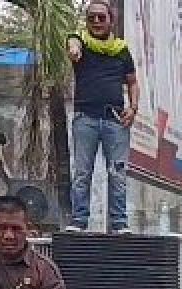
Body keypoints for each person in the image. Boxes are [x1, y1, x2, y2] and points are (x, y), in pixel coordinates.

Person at [66, 1, 139, 233]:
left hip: (115, 119)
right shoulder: (81, 43)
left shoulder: (121, 50)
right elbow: (73, 44)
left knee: (117, 173)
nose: (96, 22)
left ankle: (119, 223)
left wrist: (133, 107)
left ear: (111, 20)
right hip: (85, 118)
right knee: (82, 173)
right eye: (92, 18)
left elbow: (132, 82)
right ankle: (79, 221)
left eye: (101, 18)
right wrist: (74, 47)